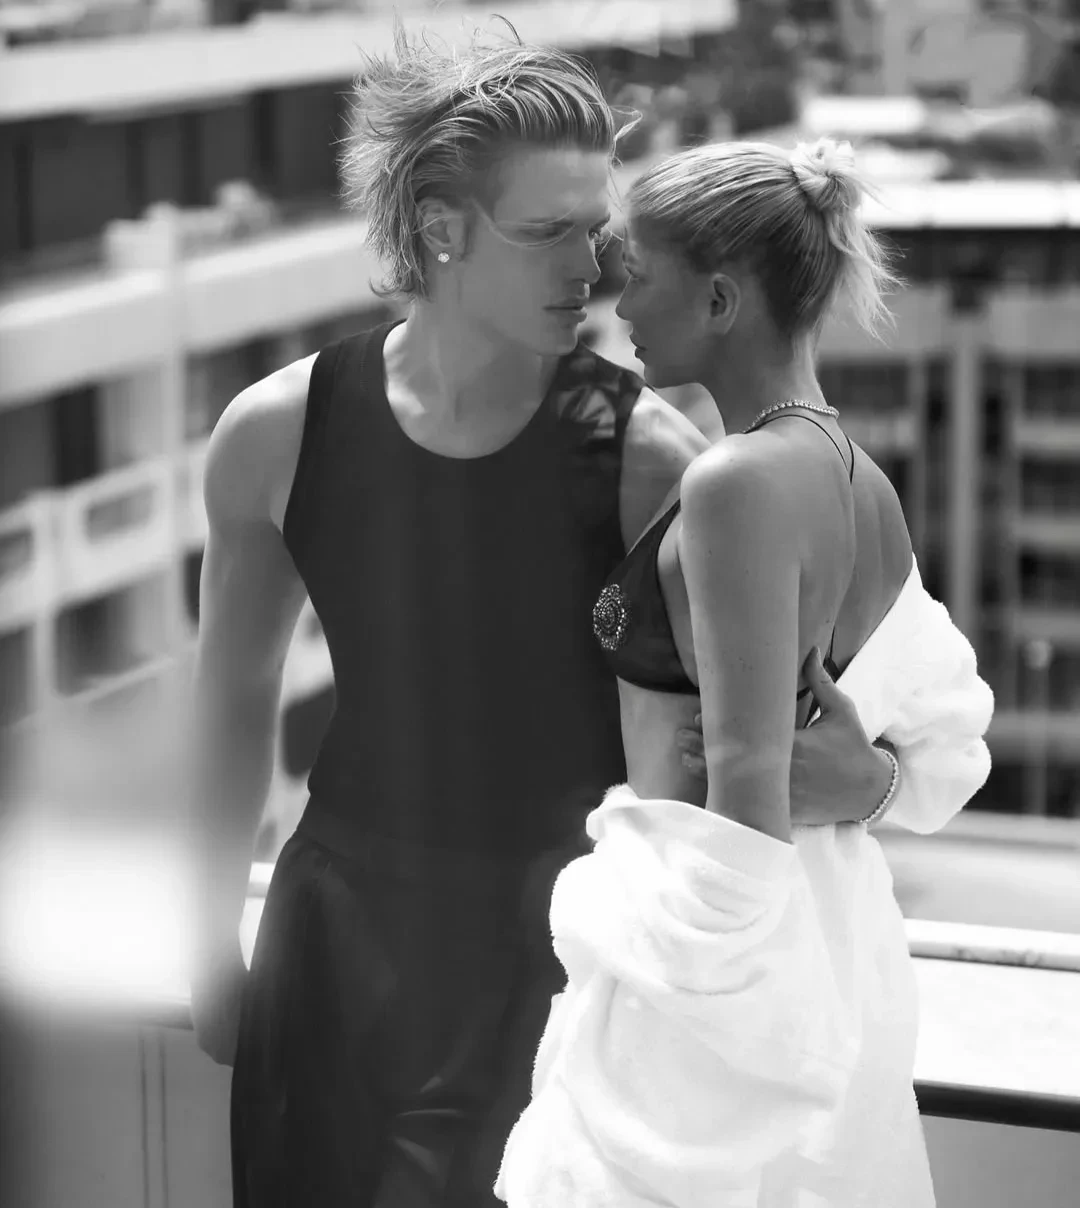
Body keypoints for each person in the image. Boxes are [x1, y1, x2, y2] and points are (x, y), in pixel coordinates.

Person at [186, 26, 984, 1208]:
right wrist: (207, 940)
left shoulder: (659, 459)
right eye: (548, 231)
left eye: (597, 233)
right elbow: (230, 705)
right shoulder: (274, 431)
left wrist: (872, 782)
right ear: (443, 228)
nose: (593, 269)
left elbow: (850, 720)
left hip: (552, 961)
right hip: (332, 946)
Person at [495, 138, 995, 1207]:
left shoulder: (735, 482)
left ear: (721, 299)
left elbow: (749, 803)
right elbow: (944, 735)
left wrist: (661, 989)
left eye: (641, 275)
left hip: (723, 982)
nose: (619, 302)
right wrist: (875, 787)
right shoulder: (859, 478)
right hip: (828, 947)